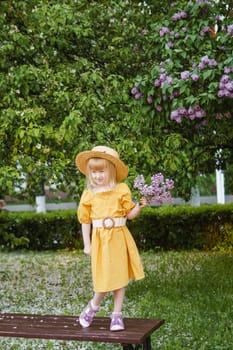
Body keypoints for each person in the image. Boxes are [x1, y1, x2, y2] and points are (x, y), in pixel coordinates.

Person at [75, 145, 146, 332]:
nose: (97, 176)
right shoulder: (89, 194)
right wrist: (87, 244)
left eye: (101, 171)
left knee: (120, 277)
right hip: (100, 241)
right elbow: (85, 221)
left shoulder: (121, 189)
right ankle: (93, 306)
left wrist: (139, 206)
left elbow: (130, 215)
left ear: (112, 170)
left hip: (119, 238)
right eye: (94, 172)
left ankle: (117, 314)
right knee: (105, 277)